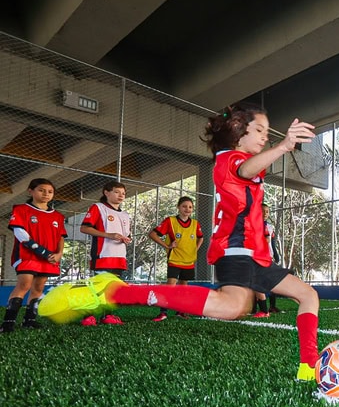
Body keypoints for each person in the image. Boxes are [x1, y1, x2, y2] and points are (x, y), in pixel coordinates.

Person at [43, 103, 320, 381]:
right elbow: (245, 170)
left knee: (306, 295)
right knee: (232, 307)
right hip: (236, 249)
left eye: (266, 132)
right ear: (238, 131)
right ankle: (116, 292)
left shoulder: (239, 159)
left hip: (255, 254)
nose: (265, 136)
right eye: (259, 130)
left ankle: (309, 367)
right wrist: (284, 146)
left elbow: (250, 172)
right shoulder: (230, 159)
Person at [2, 178, 67, 333]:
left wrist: (59, 254)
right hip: (27, 256)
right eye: (41, 190)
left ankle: (29, 320)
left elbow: (60, 237)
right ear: (31, 191)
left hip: (49, 258)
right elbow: (20, 233)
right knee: (24, 285)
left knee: (38, 287)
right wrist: (43, 252)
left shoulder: (58, 216)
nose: (46, 194)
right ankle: (8, 324)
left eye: (50, 191)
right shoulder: (21, 209)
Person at [79, 179, 132, 326]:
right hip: (103, 255)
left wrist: (126, 239)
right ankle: (88, 316)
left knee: (112, 289)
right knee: (98, 287)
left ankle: (108, 316)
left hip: (120, 257)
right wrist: (109, 235)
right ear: (106, 193)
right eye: (117, 192)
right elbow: (84, 228)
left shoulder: (125, 215)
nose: (121, 195)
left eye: (123, 193)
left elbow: (127, 234)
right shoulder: (98, 208)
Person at [148, 196, 204, 321]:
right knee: (171, 285)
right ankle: (163, 312)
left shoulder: (195, 223)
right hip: (175, 259)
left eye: (190, 207)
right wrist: (167, 246)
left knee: (183, 287)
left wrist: (195, 248)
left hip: (188, 261)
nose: (187, 209)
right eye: (184, 206)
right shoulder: (170, 221)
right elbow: (152, 234)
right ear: (178, 207)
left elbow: (201, 237)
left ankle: (180, 311)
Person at [251, 203, 281, 317]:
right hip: (256, 256)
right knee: (255, 282)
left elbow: (271, 242)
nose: (265, 213)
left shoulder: (269, 227)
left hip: (267, 257)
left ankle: (271, 306)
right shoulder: (252, 224)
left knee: (269, 281)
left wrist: (276, 255)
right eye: (262, 211)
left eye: (267, 211)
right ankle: (255, 308)